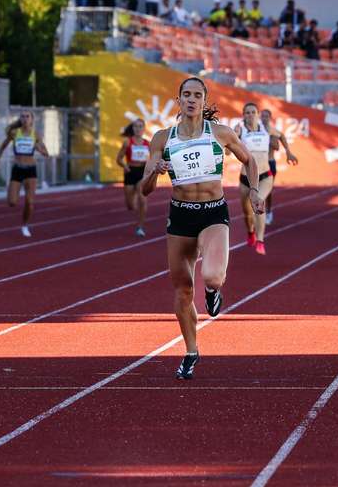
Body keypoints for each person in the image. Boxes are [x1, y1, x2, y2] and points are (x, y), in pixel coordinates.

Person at [139, 76, 263, 379]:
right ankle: (191, 352)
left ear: (204, 101)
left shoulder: (219, 133)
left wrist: (255, 191)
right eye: (186, 95)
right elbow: (144, 189)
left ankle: (212, 290)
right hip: (180, 216)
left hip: (212, 212)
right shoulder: (162, 139)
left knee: (213, 275)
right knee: (182, 291)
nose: (192, 100)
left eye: (197, 95)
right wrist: (155, 172)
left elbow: (250, 162)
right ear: (179, 100)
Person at [234, 103, 297, 254]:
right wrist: (233, 141)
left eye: (253, 112)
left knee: (259, 204)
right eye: (247, 113)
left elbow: (281, 135)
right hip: (246, 178)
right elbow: (230, 145)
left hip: (264, 176)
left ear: (257, 114)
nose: (250, 115)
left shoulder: (265, 129)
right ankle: (251, 232)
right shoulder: (240, 129)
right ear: (243, 115)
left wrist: (288, 152)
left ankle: (260, 240)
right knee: (247, 213)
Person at [0, 111, 49, 237]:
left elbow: (46, 153)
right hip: (17, 169)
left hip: (31, 169)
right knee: (12, 202)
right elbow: (2, 147)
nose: (24, 119)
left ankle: (24, 225)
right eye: (22, 116)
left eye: (27, 116)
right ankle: (13, 191)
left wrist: (39, 149)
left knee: (30, 202)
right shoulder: (14, 133)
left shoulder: (36, 134)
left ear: (32, 120)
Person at [260, 108, 298, 226]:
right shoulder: (255, 130)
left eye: (266, 116)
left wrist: (288, 152)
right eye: (263, 116)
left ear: (270, 118)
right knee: (256, 190)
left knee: (268, 191)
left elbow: (277, 145)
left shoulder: (273, 131)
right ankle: (259, 213)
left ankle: (269, 211)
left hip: (270, 163)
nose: (264, 118)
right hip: (258, 164)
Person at [116, 118, 150, 237]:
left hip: (142, 172)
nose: (138, 129)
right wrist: (124, 166)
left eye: (140, 126)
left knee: (143, 199)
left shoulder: (147, 143)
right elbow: (119, 159)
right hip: (130, 171)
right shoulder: (127, 142)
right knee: (130, 205)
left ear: (144, 129)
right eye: (136, 126)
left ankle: (140, 227)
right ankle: (134, 193)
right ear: (133, 128)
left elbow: (152, 159)